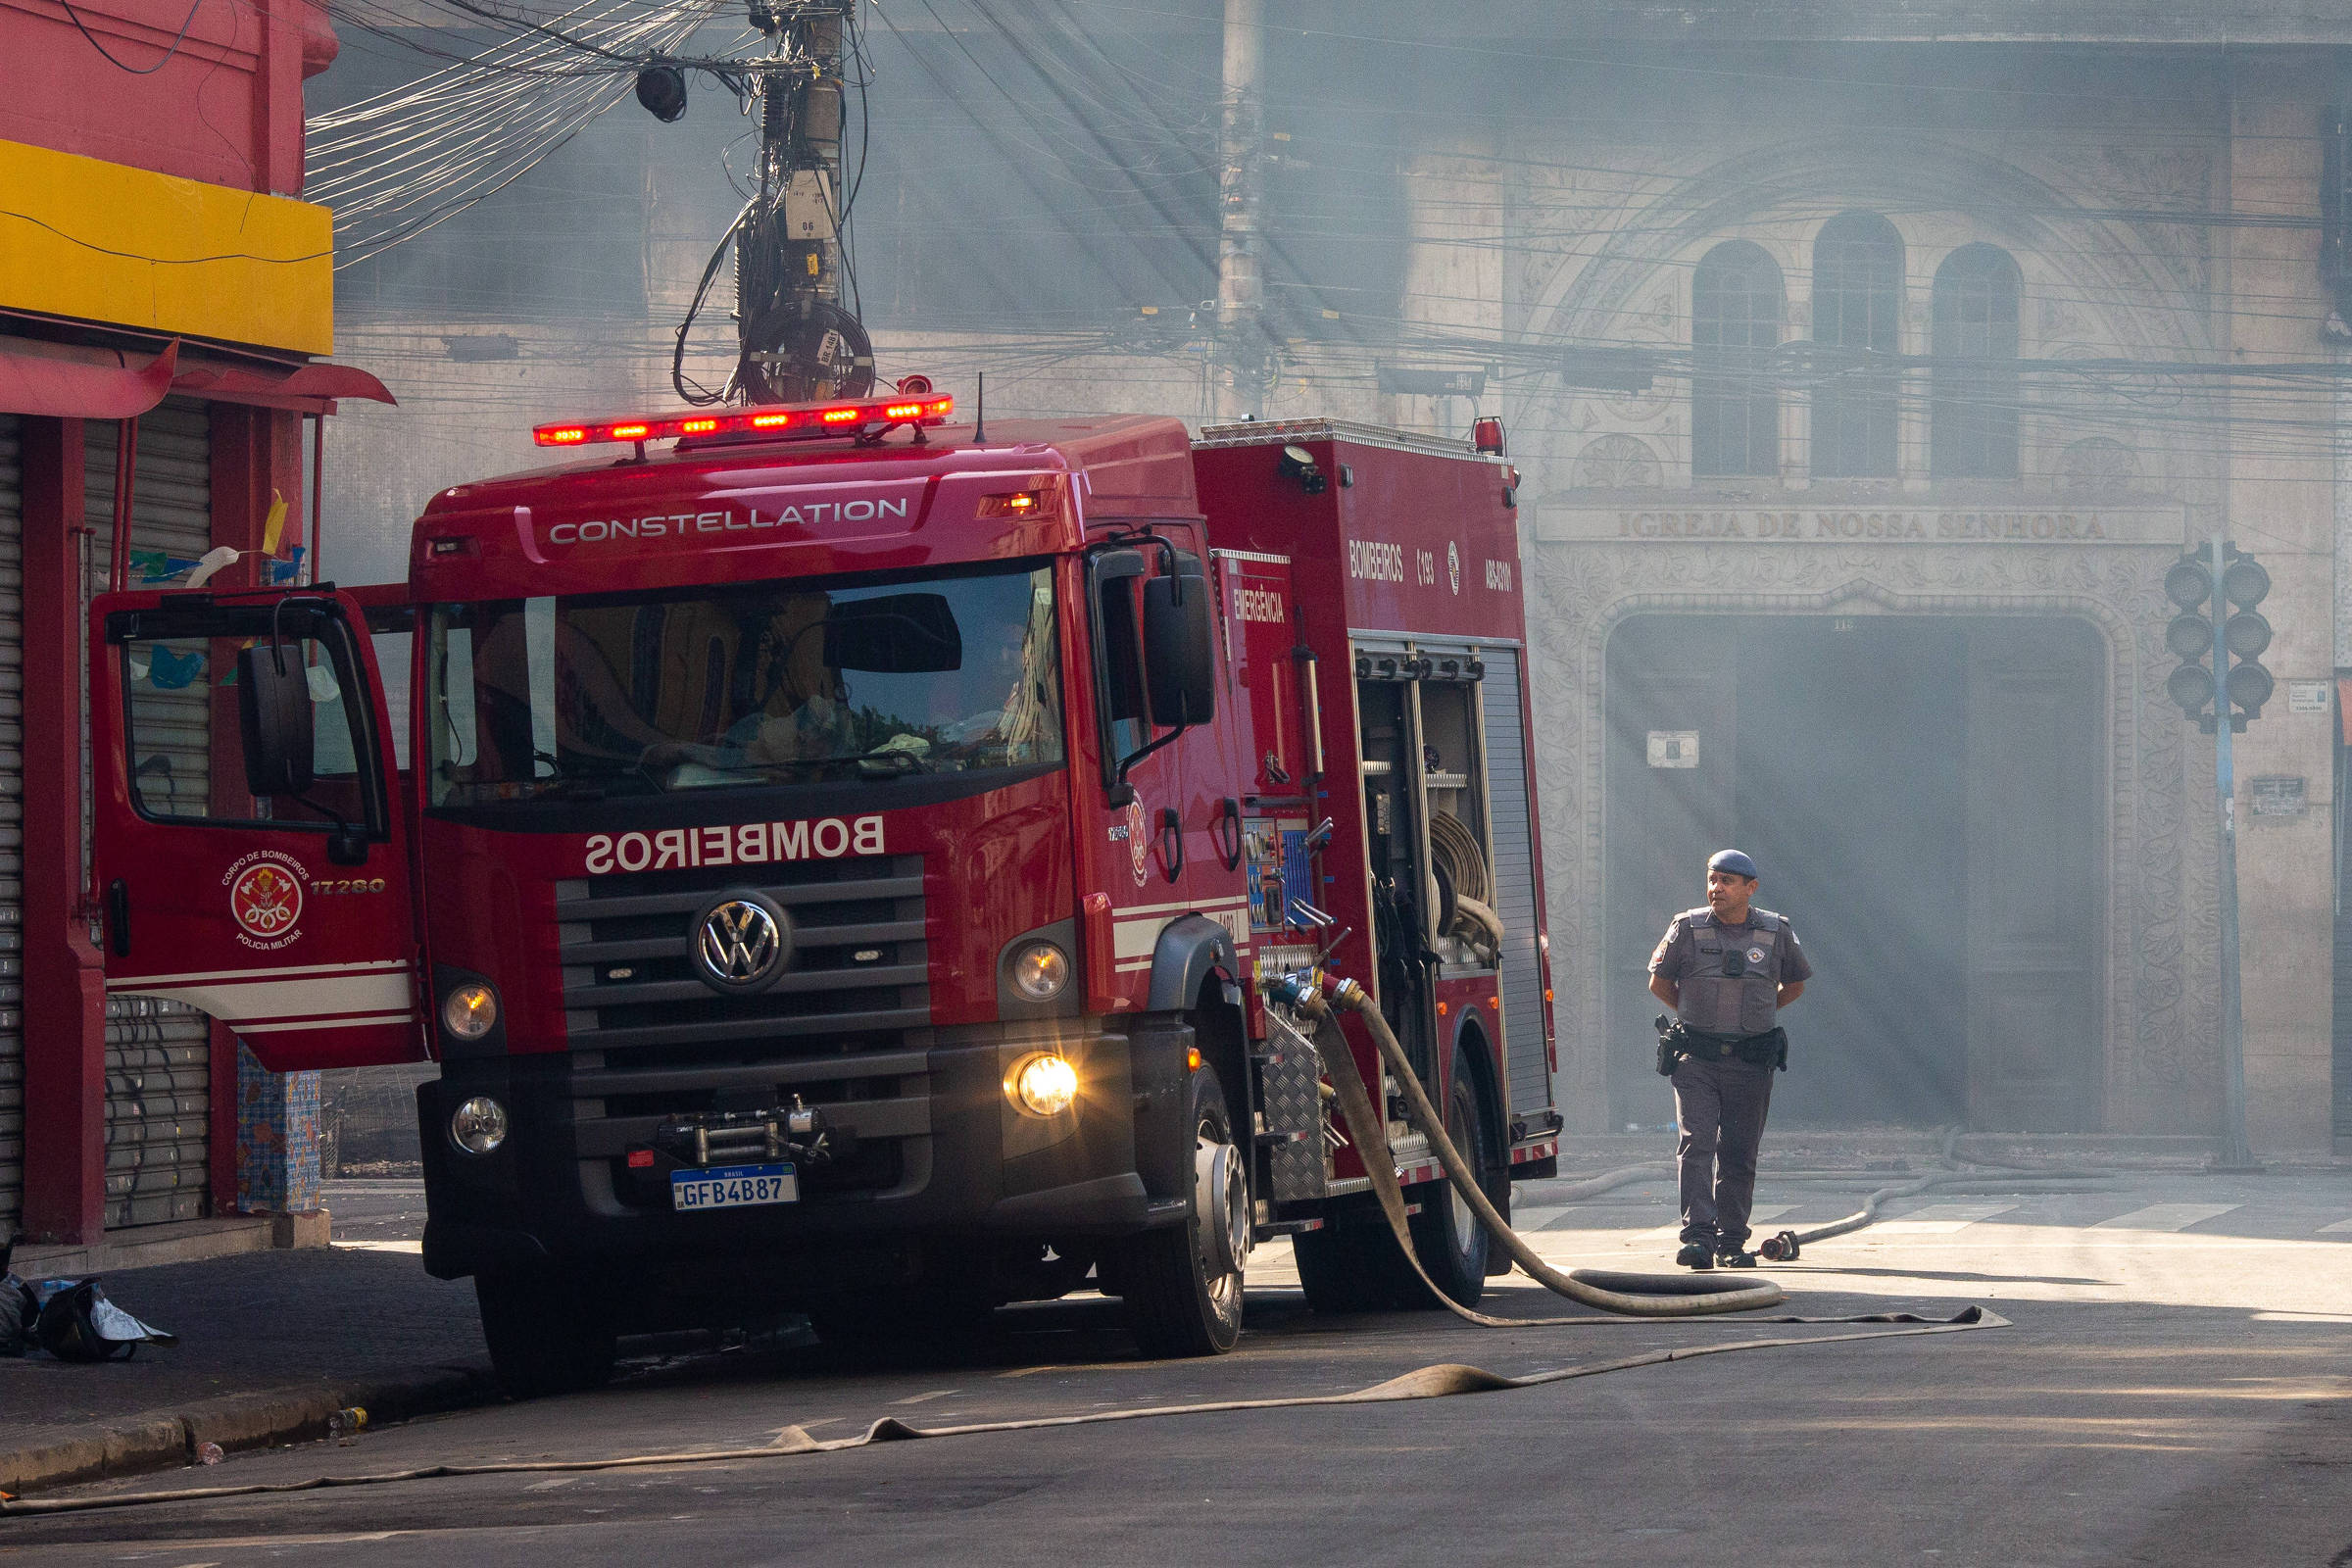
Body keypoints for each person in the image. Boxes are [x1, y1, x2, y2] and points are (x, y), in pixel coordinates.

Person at [1647, 850, 1810, 1269]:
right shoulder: (1687, 928)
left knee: (1739, 1151)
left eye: (1727, 881)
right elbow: (1659, 983)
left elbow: (1794, 985)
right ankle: (1698, 1237)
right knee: (1696, 1144)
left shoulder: (1776, 932)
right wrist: (1697, 1013)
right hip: (1696, 1060)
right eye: (1712, 879)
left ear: (1750, 888)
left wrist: (1754, 1013)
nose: (1716, 888)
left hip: (1751, 1062)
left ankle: (1732, 1241)